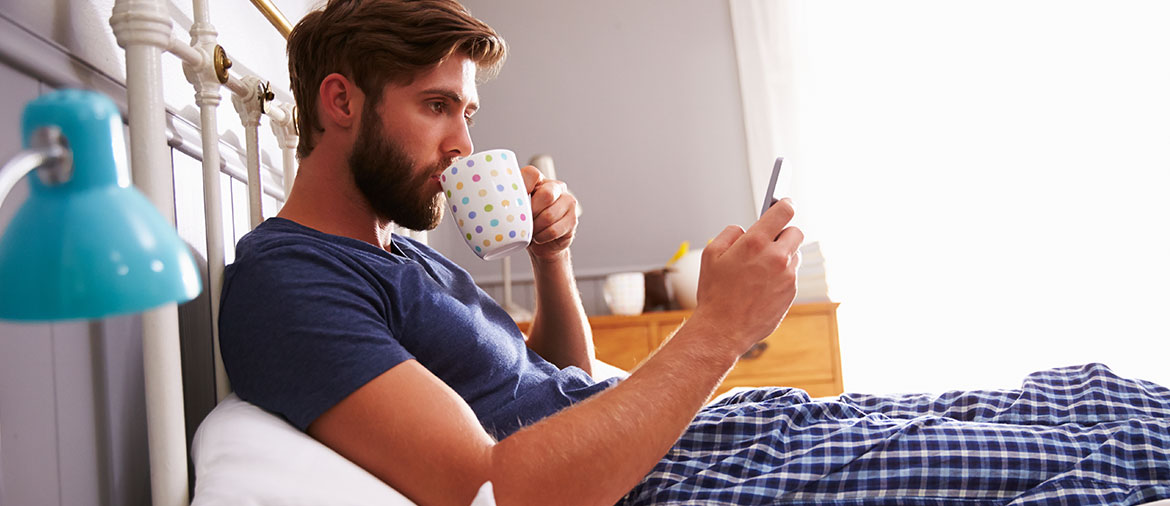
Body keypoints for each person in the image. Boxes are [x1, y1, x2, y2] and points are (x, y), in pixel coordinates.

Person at [218, 1, 1170, 505]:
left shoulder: (400, 255)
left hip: (675, 441)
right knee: (1061, 462)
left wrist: (553, 259)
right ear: (339, 103)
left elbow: (553, 375)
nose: (465, 145)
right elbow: (490, 487)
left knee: (1081, 398)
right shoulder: (288, 281)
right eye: (437, 108)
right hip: (664, 480)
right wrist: (715, 332)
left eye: (468, 113)